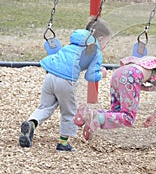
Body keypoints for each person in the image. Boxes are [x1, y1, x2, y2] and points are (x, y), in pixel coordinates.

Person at [19, 18, 112, 151]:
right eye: (106, 43)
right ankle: (63, 143)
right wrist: (101, 74)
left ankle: (31, 124)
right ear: (101, 38)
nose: (105, 46)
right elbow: (90, 76)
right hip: (66, 80)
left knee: (45, 106)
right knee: (69, 112)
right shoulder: (95, 51)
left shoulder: (72, 44)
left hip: (50, 76)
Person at [74, 43, 156, 140]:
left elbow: (153, 85)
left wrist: (143, 87)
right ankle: (97, 118)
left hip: (119, 73)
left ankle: (87, 113)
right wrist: (154, 116)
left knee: (116, 113)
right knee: (128, 118)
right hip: (131, 77)